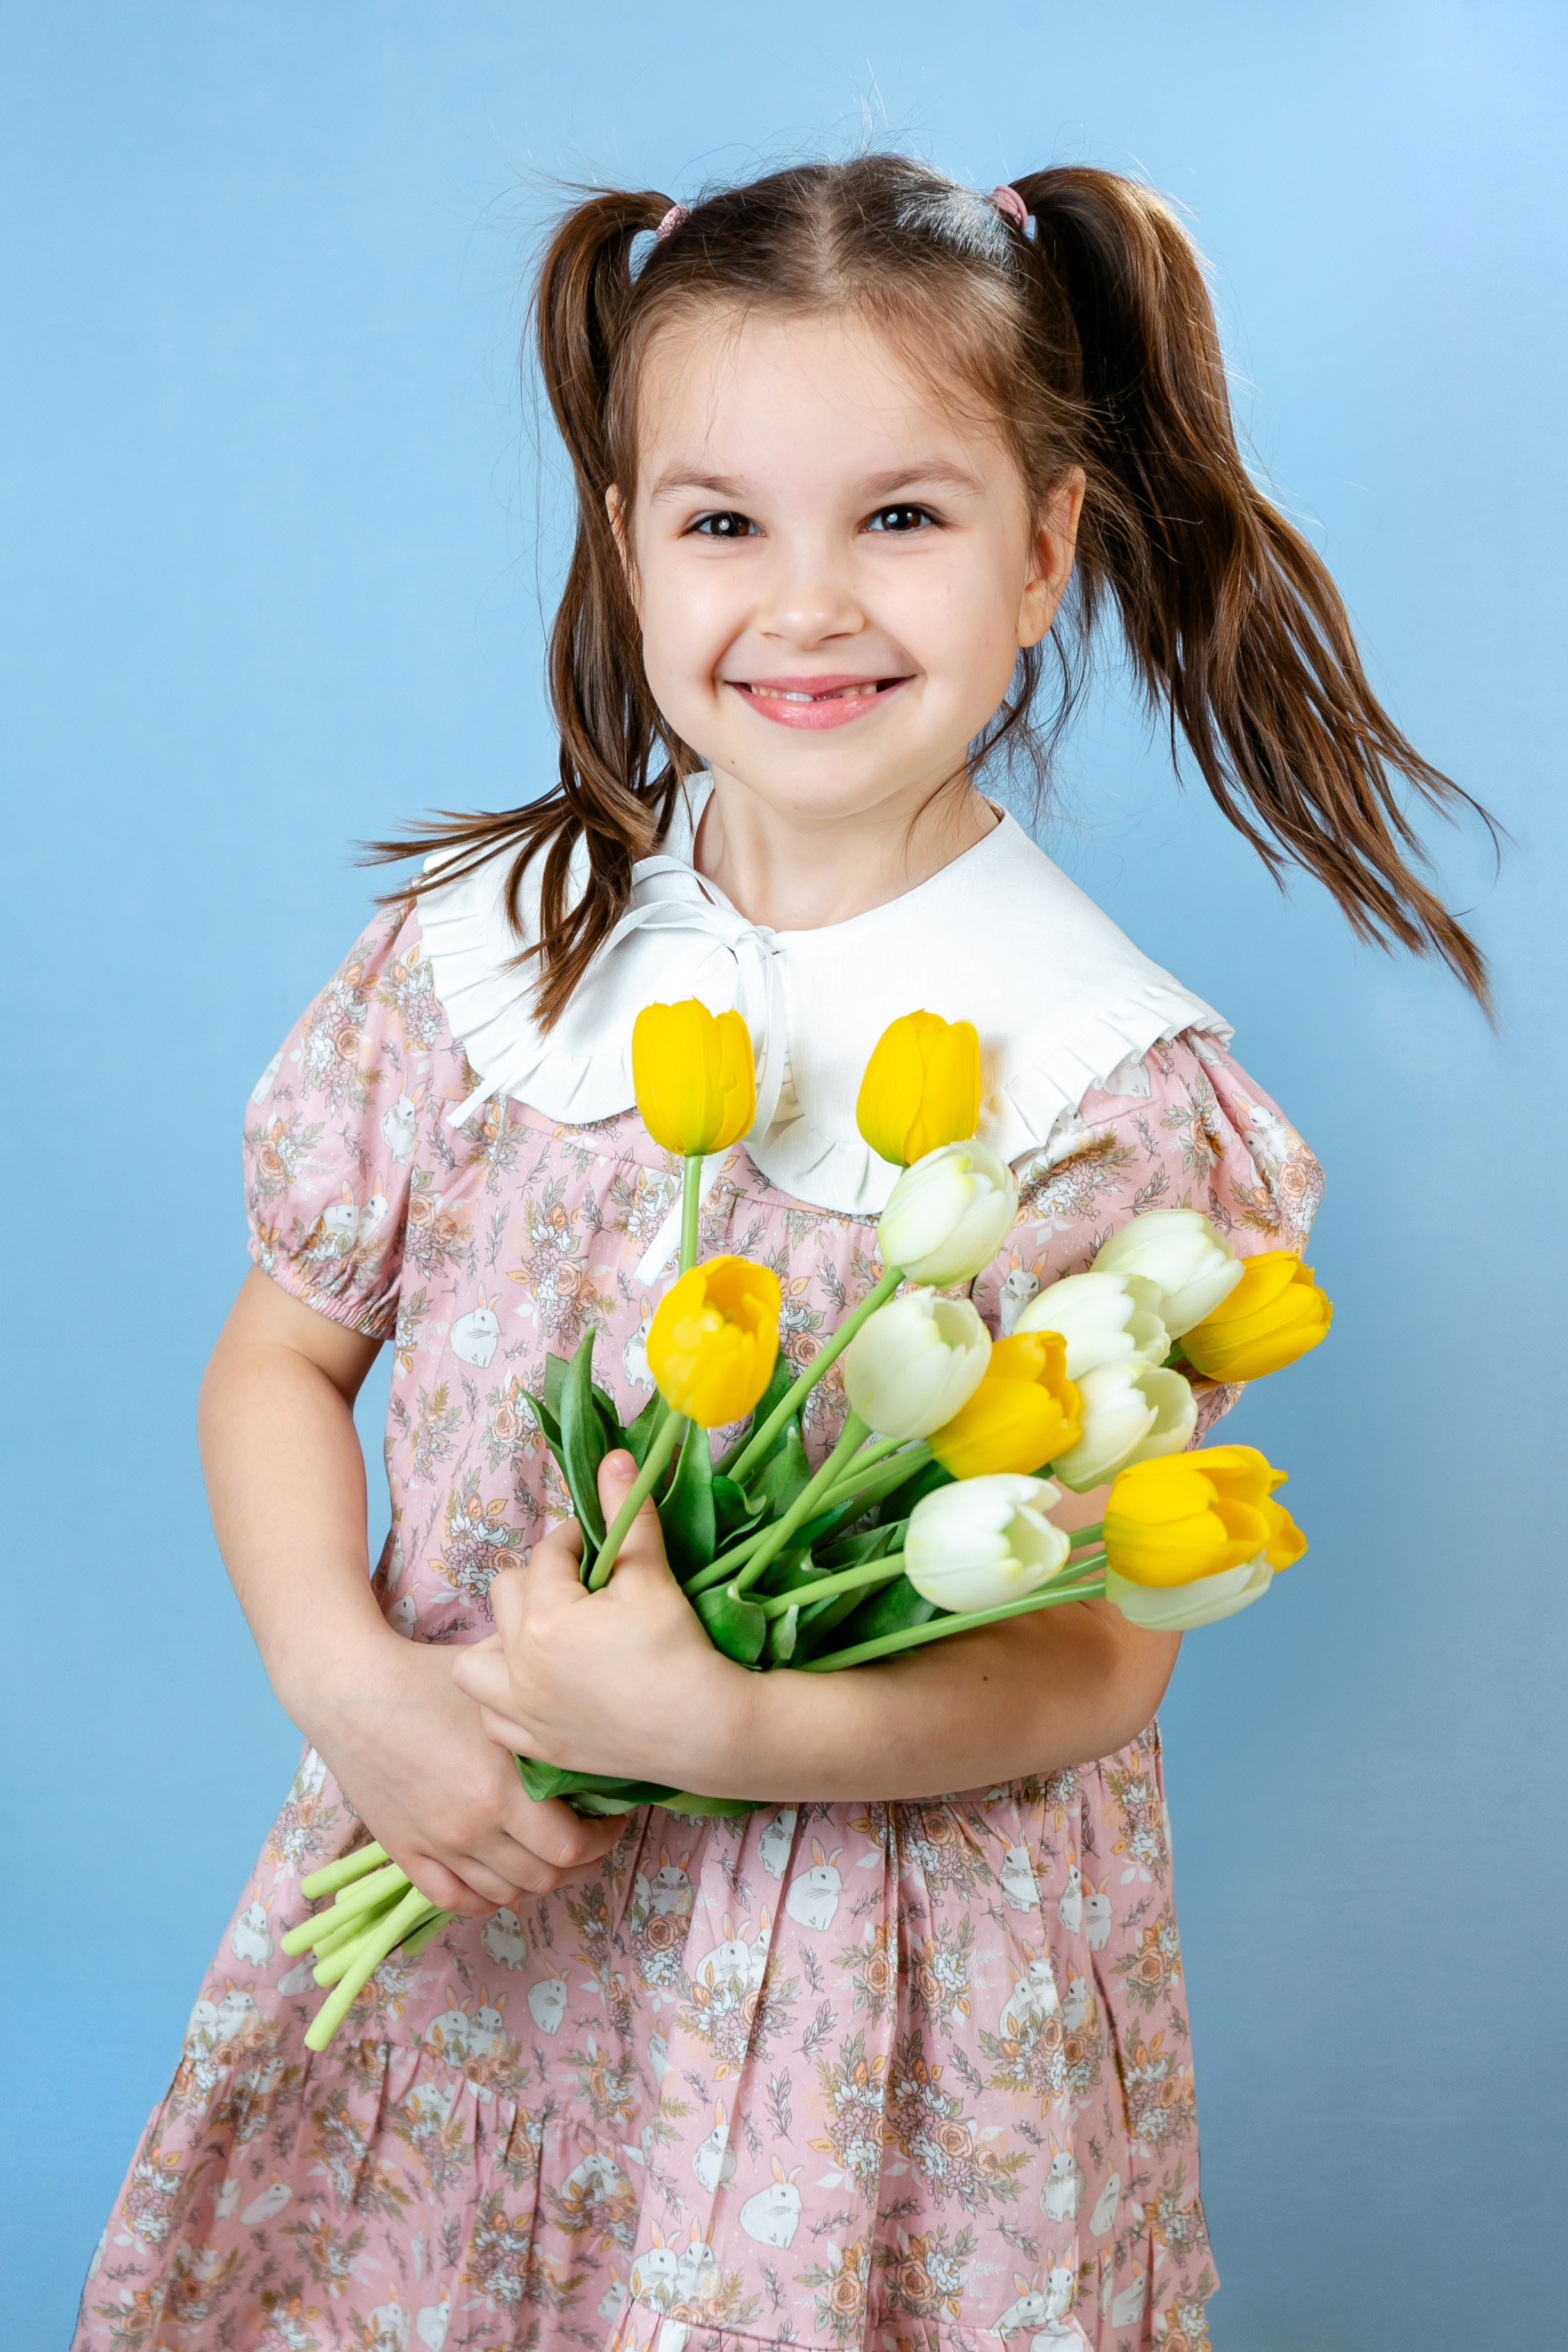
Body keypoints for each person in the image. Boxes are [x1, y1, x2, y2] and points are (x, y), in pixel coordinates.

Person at [76, 158, 1485, 2352]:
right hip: (470, 1912)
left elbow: (1100, 1660)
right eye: (722, 521)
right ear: (625, 545)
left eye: (900, 520)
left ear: (1042, 557)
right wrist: (352, 1692)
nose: (806, 604)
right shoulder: (490, 967)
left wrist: (720, 1721)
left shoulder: (1104, 1089)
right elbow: (276, 1361)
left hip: (868, 2015)